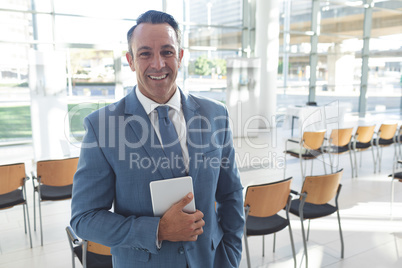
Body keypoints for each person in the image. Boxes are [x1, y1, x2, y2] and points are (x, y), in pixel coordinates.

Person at [70, 10, 244, 268]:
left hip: (211, 260)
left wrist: (230, 255)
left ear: (180, 56)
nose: (158, 64)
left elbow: (230, 193)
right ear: (130, 60)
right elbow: (83, 219)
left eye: (167, 52)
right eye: (145, 54)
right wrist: (157, 230)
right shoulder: (101, 126)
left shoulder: (215, 114)